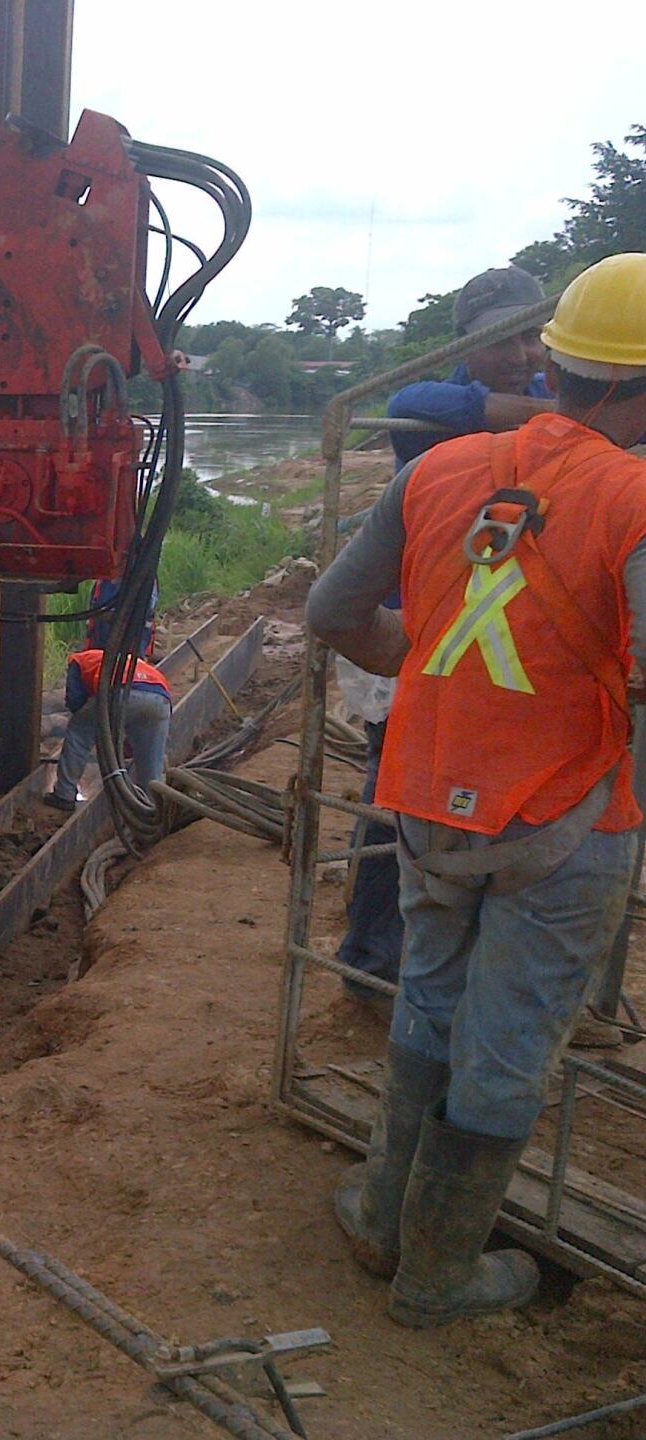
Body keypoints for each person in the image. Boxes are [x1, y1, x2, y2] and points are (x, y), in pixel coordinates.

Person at [306, 253, 646, 1328]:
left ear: (557, 362)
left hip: (425, 795)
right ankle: (439, 1272)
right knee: (509, 1037)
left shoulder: (441, 470)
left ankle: (379, 1207)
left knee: (431, 998)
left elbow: (329, 613)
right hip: (560, 816)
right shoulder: (635, 497)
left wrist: (414, 651)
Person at [335, 266, 563, 991]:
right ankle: (372, 959)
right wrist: (555, 419)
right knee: (396, 800)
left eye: (533, 336)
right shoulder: (436, 412)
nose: (522, 354)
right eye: (505, 339)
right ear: (469, 342)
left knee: (508, 806)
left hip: (518, 642)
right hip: (431, 636)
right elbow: (408, 398)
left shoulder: (540, 401)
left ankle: (473, 965)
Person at [385, 265, 554, 466]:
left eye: (531, 337)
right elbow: (403, 404)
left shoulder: (549, 389)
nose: (519, 358)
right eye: (499, 341)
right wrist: (562, 411)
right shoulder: (427, 407)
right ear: (464, 347)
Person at [43, 646, 172, 812]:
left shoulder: (77, 660)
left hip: (120, 689)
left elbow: (75, 701)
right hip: (160, 697)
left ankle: (64, 794)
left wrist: (94, 729)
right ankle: (152, 806)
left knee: (78, 732)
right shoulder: (127, 661)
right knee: (152, 757)